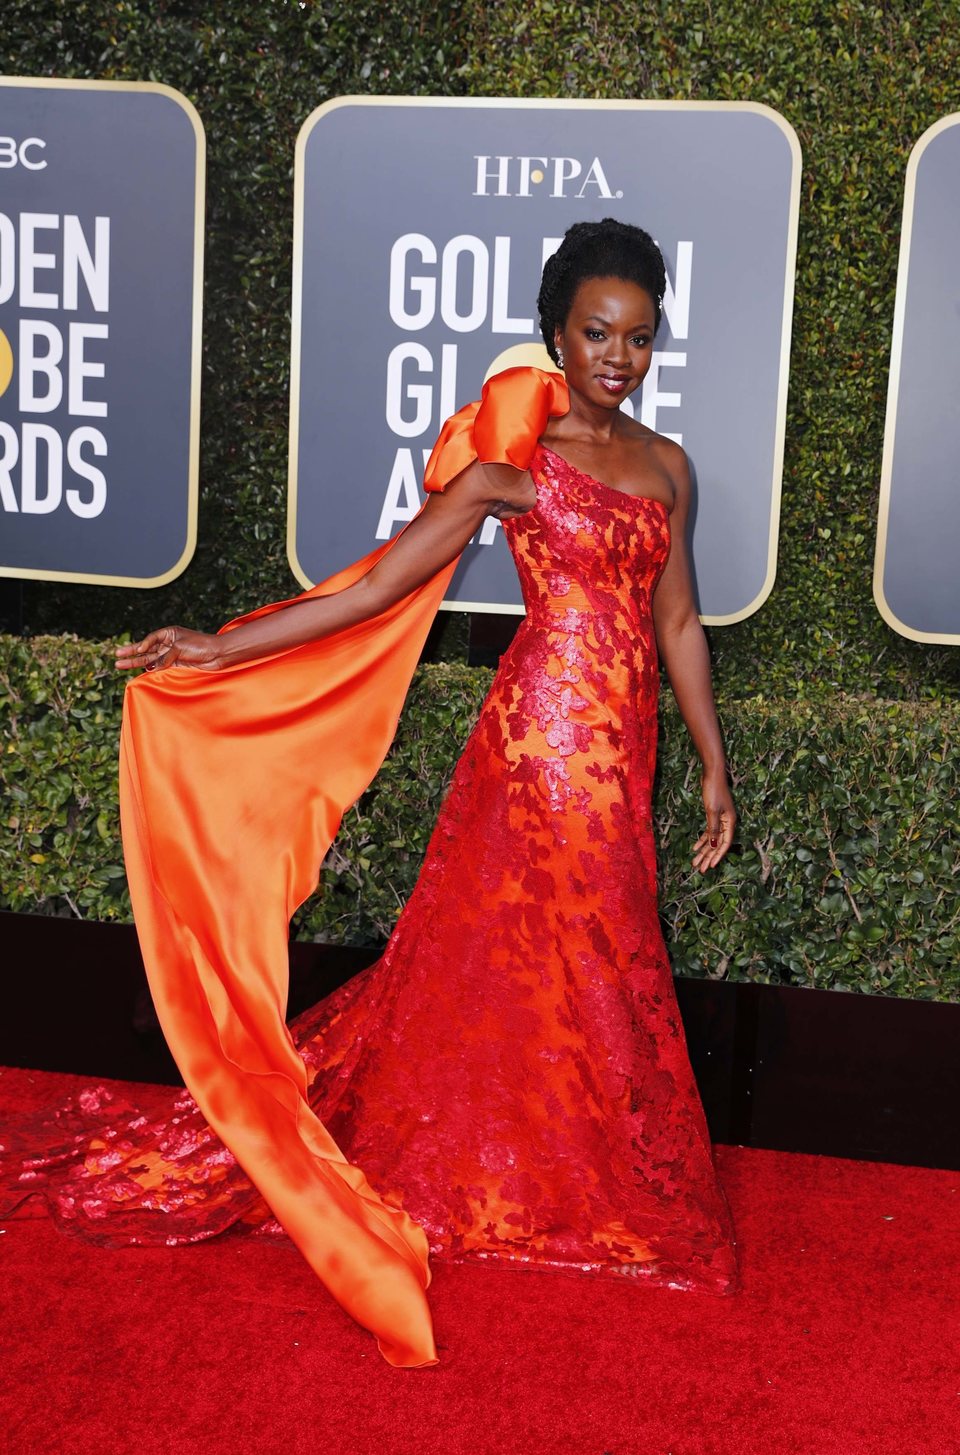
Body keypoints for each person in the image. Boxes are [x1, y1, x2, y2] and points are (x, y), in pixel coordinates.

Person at [3, 219, 739, 1370]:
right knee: (581, 959)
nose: (619, 357)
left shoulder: (668, 467)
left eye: (640, 338)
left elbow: (678, 621)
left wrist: (711, 760)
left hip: (624, 750)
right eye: (598, 333)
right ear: (555, 335)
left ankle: (567, 1173)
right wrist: (218, 649)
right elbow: (379, 585)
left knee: (584, 963)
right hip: (539, 747)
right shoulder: (512, 469)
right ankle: (569, 1189)